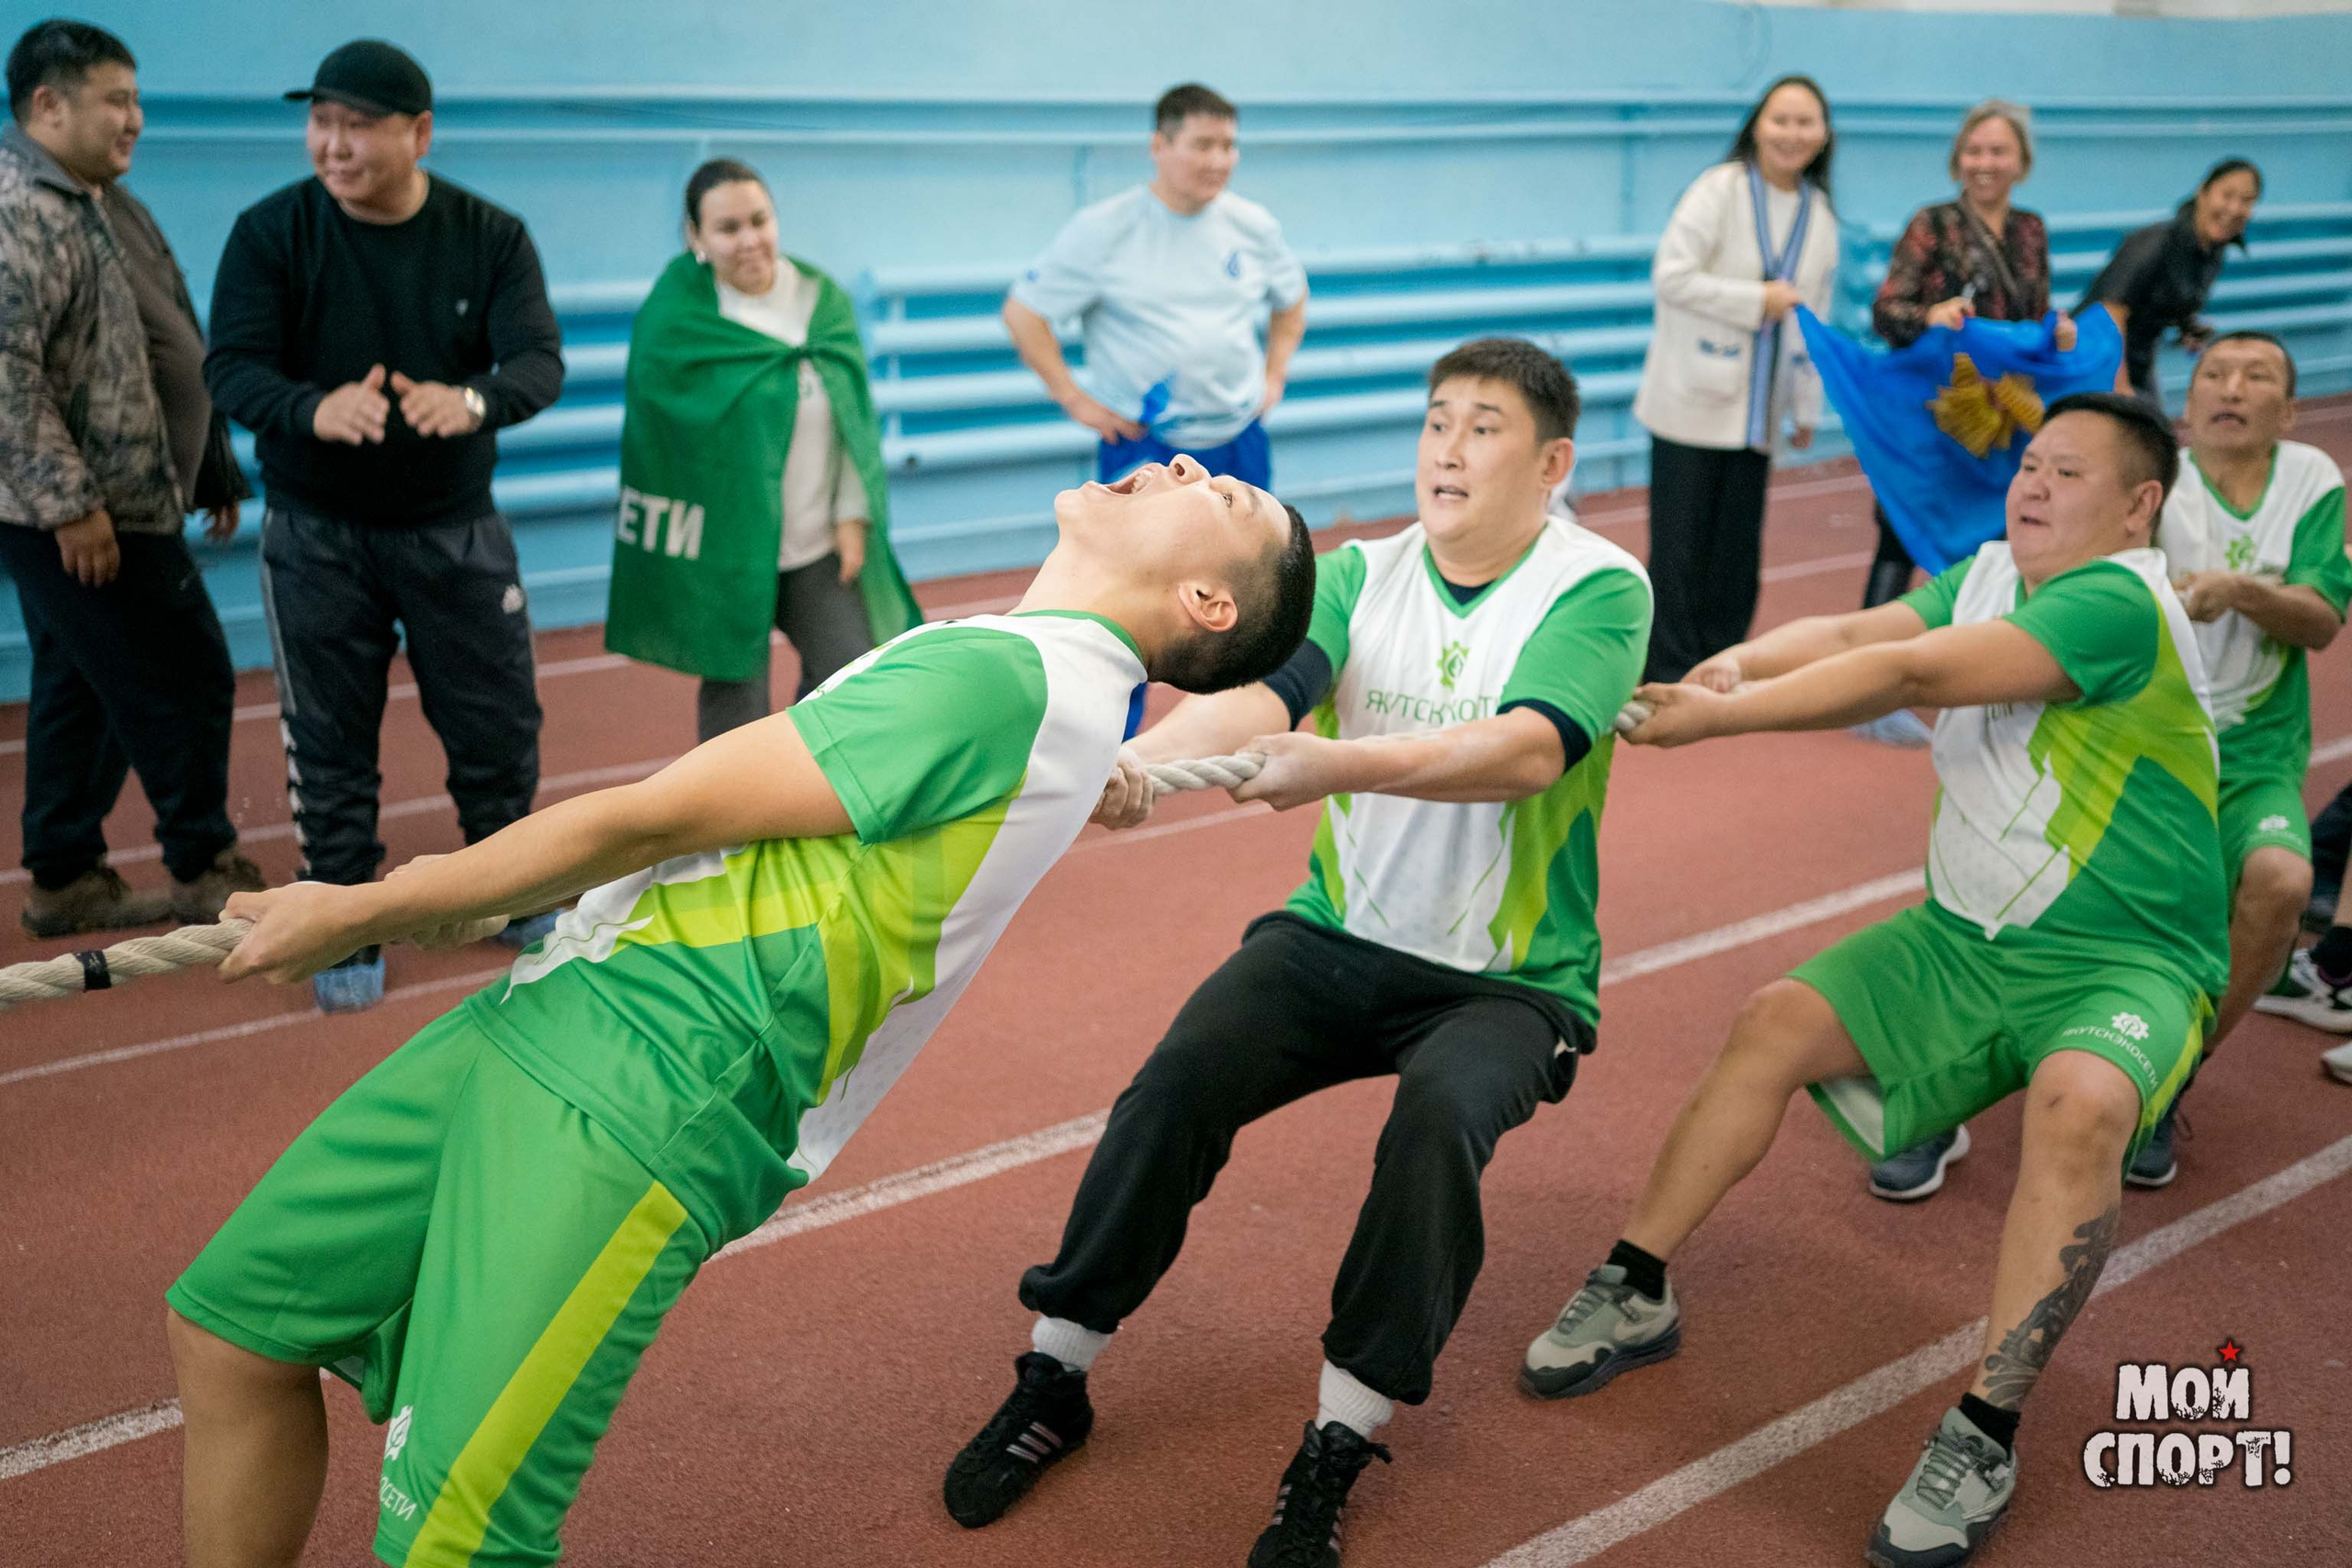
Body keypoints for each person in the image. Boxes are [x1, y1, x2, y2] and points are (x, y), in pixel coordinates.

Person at [163, 458, 1315, 1568]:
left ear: (1206, 600)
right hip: (557, 1003)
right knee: (236, 1331)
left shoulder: (1009, 688)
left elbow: (656, 817)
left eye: (1220, 492)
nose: (1176, 462)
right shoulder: (1035, 678)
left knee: (459, 1543)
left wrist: (372, 905)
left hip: (648, 1092)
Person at [944, 341, 1652, 1568]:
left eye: (1484, 428)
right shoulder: (1364, 571)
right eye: (1436, 420)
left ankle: (1339, 1435)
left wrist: (1344, 762)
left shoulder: (1601, 587)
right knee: (1174, 1084)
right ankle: (1056, 1374)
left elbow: (1532, 746)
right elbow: (1270, 696)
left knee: (1436, 1125)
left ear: (1553, 463)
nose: (1446, 446)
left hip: (1509, 981)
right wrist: (1151, 764)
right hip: (1337, 936)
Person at [1522, 393, 2221, 1568]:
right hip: (1965, 940)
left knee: (2082, 1106)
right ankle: (1634, 1281)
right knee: (1774, 1024)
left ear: (2140, 506)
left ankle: (1983, 1429)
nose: (2031, 486)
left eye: (2067, 473)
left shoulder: (2119, 600)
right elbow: (1859, 633)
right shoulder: (1995, 568)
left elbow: (1904, 674)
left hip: (2127, 958)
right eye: (2029, 464)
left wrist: (1715, 727)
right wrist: (1733, 666)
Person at [204, 39, 566, 1013]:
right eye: (321, 122)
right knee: (326, 739)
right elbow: (230, 367)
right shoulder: (270, 232)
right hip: (317, 535)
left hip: (455, 529)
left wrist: (476, 402)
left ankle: (512, 886)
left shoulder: (489, 236)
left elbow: (537, 362)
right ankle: (346, 914)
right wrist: (309, 409)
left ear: (418, 133)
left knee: (496, 722)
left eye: (357, 124)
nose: (333, 144)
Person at [0, 18, 261, 939]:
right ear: (46, 105)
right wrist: (72, 507)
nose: (135, 119)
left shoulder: (107, 200)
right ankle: (203, 864)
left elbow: (167, 341)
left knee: (84, 680)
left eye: (137, 98)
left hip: (138, 498)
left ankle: (67, 874)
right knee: (183, 675)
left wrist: (214, 464)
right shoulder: (18, 212)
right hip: (77, 513)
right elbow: (5, 377)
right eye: (115, 100)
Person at [607, 158, 922, 744]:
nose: (749, 240)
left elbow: (853, 415)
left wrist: (852, 514)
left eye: (760, 220)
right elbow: (663, 438)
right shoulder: (679, 317)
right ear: (695, 238)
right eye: (728, 229)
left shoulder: (820, 301)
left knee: (851, 670)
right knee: (735, 701)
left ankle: (806, 790)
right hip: (727, 550)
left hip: (815, 541)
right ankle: (732, 827)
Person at [2156, 334, 2352, 1091]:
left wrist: (2236, 590)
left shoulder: (2308, 478)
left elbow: (2321, 620)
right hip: (2149, 741)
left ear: (2289, 412)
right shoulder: (2153, 479)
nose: (2231, 388)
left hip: (2257, 749)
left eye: (2256, 376)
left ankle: (2176, 1072)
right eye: (2214, 374)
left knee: (2281, 882)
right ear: (2188, 401)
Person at [1636, 73, 1839, 684]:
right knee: (1678, 548)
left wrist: (1807, 407)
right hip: (1689, 404)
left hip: (1758, 413)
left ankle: (1720, 663)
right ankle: (1666, 671)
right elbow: (1671, 275)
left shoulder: (1819, 213)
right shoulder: (1719, 190)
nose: (1792, 133)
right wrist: (1755, 298)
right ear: (1756, 124)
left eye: (1806, 122)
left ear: (1824, 134)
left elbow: (1814, 316)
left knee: (1735, 553)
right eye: (1781, 119)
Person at [1004, 82, 1307, 491]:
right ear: (1158, 146)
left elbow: (1292, 299)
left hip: (1239, 437)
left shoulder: (1254, 225)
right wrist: (1075, 400)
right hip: (1145, 444)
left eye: (1228, 145)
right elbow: (1023, 314)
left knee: (1249, 556)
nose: (1218, 160)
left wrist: (1275, 375)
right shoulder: (1104, 229)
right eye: (1202, 145)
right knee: (1148, 556)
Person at [2080, 158, 2261, 416]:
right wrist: (2118, 384)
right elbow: (2111, 309)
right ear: (2203, 192)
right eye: (2227, 195)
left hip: (2140, 358)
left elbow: (2170, 300)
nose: (2234, 208)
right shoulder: (2155, 242)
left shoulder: (2213, 250)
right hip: (2097, 357)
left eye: (2247, 200)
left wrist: (2189, 327)